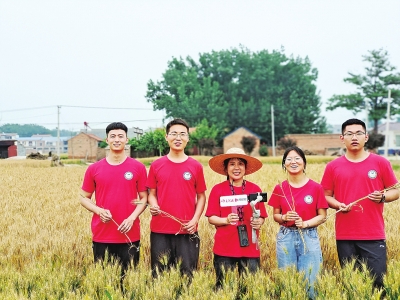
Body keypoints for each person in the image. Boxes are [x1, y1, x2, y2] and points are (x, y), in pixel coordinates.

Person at [320, 118, 399, 290]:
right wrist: (338, 204)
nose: (354, 137)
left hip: (373, 235)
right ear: (342, 138)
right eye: (349, 134)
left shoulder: (380, 163)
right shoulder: (333, 166)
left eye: (358, 133)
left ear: (366, 137)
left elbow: (395, 191)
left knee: (378, 285)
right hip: (345, 236)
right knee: (351, 286)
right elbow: (325, 196)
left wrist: (383, 197)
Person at [80, 122, 148, 276]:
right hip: (102, 233)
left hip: (130, 234)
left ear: (127, 139)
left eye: (120, 136)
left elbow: (144, 198)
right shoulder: (94, 169)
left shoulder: (138, 167)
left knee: (129, 279)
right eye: (113, 136)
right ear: (107, 140)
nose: (116, 139)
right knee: (104, 281)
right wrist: (99, 210)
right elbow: (84, 198)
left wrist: (131, 218)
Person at [146, 118, 207, 278]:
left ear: (188, 138)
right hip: (160, 230)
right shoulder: (156, 165)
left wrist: (194, 220)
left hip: (187, 230)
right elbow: (151, 194)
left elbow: (201, 196)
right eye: (173, 133)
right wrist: (153, 205)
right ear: (166, 137)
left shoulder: (195, 166)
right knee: (160, 277)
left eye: (182, 134)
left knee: (188, 276)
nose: (178, 138)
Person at [268, 146, 327, 299]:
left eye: (297, 158)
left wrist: (305, 223)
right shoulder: (279, 188)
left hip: (308, 236)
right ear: (284, 164)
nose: (293, 162)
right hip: (285, 237)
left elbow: (322, 216)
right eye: (289, 159)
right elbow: (275, 215)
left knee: (311, 283)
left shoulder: (316, 188)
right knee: (288, 283)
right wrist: (284, 218)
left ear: (304, 163)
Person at [206, 147, 267, 289]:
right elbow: (211, 217)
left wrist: (259, 222)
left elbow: (262, 216)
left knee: (249, 289)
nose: (236, 168)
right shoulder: (218, 189)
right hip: (224, 248)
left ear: (245, 167)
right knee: (223, 288)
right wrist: (225, 220)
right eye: (232, 164)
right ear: (226, 168)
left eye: (240, 163)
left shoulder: (255, 189)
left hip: (250, 249)